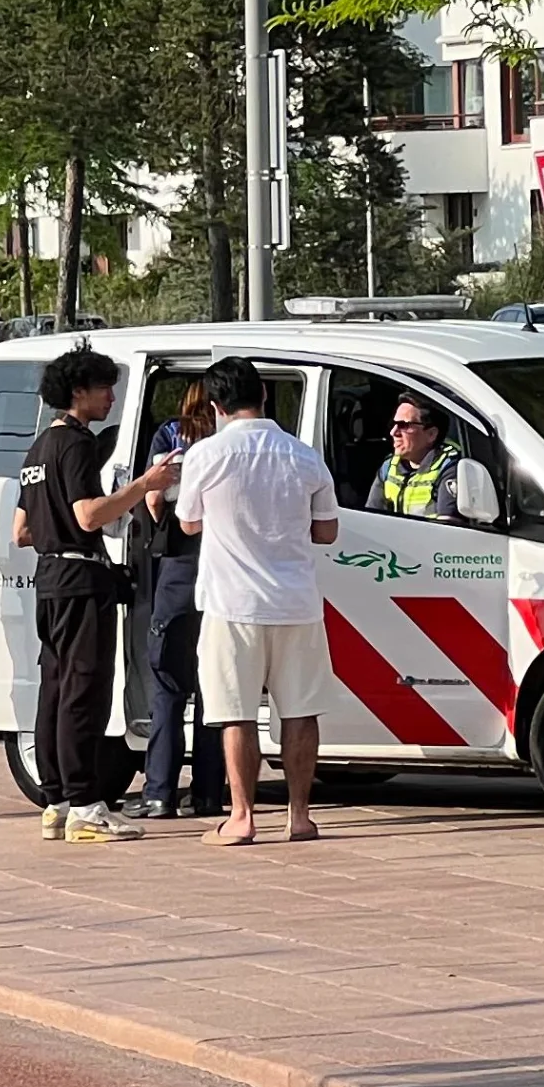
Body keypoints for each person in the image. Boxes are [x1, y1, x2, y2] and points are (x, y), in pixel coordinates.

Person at [172, 356, 340, 846]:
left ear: (217, 404)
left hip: (231, 602)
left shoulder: (205, 455)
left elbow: (187, 522)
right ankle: (301, 815)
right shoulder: (304, 456)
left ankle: (242, 817)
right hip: (296, 601)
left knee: (237, 712)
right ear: (264, 395)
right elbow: (327, 531)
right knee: (301, 710)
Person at [15, 348, 176, 843]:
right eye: (104, 388)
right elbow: (88, 516)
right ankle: (87, 805)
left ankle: (57, 801)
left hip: (48, 581)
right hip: (81, 583)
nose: (111, 397)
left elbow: (22, 531)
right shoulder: (76, 445)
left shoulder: (39, 447)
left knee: (55, 692)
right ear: (78, 391)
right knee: (83, 695)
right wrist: (144, 486)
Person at [133, 383, 223, 816]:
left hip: (178, 568)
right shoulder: (232, 437)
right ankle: (208, 792)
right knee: (213, 686)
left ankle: (159, 792)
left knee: (168, 683)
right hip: (224, 567)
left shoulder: (170, 435)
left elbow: (152, 501)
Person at [371, 396, 502, 526]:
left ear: (431, 434)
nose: (393, 432)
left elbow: (447, 528)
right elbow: (371, 518)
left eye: (404, 425)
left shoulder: (448, 468)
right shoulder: (388, 467)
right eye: (393, 424)